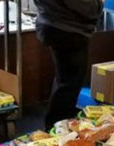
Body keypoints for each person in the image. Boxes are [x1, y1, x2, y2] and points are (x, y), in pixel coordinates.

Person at [34, 0, 103, 129]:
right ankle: (58, 129)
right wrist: (97, 5)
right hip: (67, 28)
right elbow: (85, 7)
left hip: (55, 22)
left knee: (65, 80)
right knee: (69, 84)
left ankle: (57, 126)